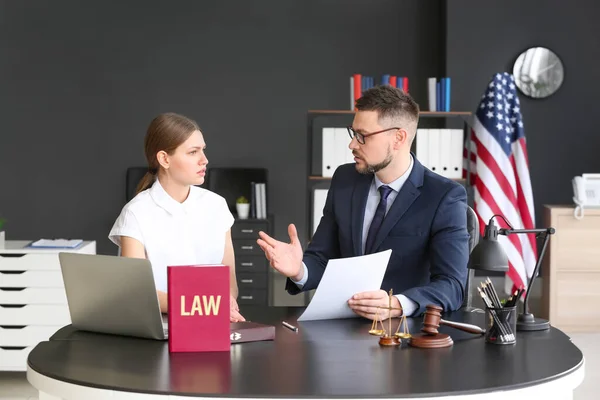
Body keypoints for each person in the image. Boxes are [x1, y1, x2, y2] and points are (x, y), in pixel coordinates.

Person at [257, 86, 469, 319]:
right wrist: (300, 270)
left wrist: (396, 304)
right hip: (343, 328)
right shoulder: (345, 180)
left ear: (398, 137)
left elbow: (452, 286)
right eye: (353, 133)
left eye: (363, 136)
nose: (352, 145)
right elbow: (322, 256)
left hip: (405, 335)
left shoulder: (444, 196)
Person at [109, 112, 245, 322]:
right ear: (164, 158)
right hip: (158, 327)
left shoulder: (216, 205)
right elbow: (134, 292)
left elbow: (229, 278)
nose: (204, 160)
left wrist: (227, 299)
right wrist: (201, 305)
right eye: (193, 152)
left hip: (213, 321)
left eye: (203, 150)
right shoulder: (136, 213)